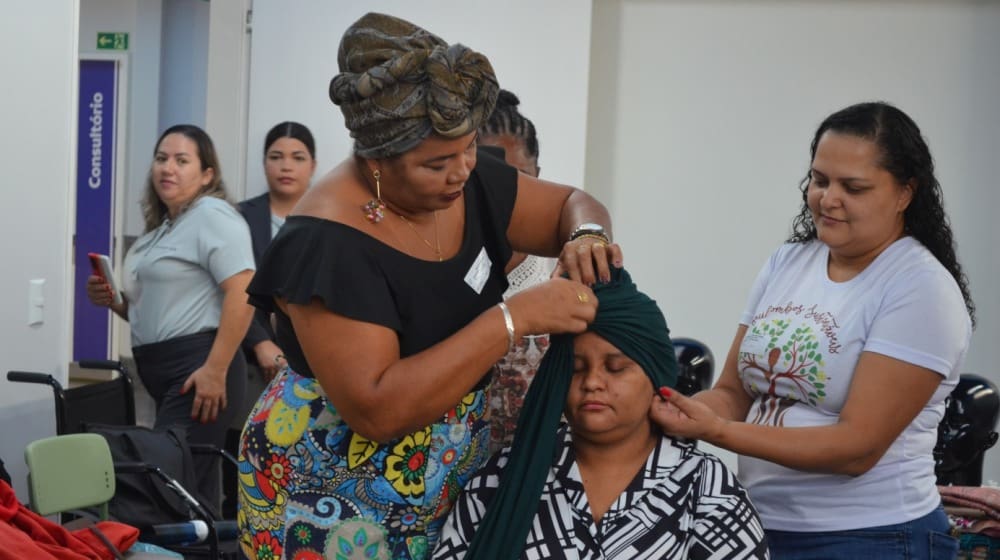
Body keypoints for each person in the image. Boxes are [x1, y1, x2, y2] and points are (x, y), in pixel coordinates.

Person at [237, 12, 622, 560]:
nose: (462, 170)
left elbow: (568, 204)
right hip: (329, 484)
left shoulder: (468, 178)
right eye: (436, 163)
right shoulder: (326, 242)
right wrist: (514, 319)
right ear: (376, 161)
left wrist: (586, 234)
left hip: (440, 470)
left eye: (468, 149)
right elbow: (377, 409)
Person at [652, 101, 975, 559]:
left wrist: (716, 430)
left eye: (854, 187)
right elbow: (731, 393)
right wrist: (669, 411)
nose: (828, 198)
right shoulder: (788, 262)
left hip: (871, 537)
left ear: (905, 193)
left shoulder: (920, 288)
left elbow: (855, 448)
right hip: (758, 525)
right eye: (820, 180)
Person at [433, 268, 769, 559]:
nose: (593, 382)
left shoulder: (705, 486)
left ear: (656, 378)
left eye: (616, 368)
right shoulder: (502, 478)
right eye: (577, 368)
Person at [86, 124, 255, 511]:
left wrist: (215, 368)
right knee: (193, 487)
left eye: (182, 160)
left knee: (169, 487)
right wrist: (115, 302)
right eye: (162, 158)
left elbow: (243, 289)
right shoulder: (162, 228)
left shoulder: (211, 215)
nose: (168, 168)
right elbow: (158, 311)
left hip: (198, 368)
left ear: (207, 174)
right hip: (167, 370)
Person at [223, 121, 317, 517]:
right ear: (263, 163)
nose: (286, 166)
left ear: (313, 165)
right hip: (248, 354)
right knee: (241, 452)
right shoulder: (240, 218)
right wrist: (261, 342)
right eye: (276, 157)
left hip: (311, 357)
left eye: (297, 158)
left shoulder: (327, 217)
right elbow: (237, 288)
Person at [479, 89, 558, 453]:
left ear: (538, 175)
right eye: (489, 178)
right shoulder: (445, 261)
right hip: (454, 468)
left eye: (519, 177)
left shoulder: (566, 268)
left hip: (542, 463)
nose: (504, 194)